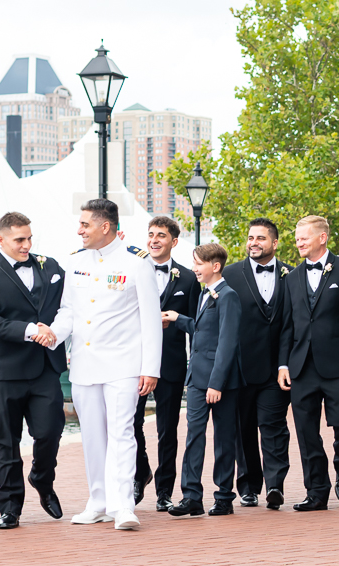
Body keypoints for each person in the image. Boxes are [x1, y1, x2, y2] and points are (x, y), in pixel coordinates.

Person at [42, 199, 161, 531]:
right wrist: (53, 333)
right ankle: (98, 501)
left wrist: (150, 368)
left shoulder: (137, 265)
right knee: (92, 436)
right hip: (83, 364)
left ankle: (123, 505)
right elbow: (69, 311)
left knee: (122, 433)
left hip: (123, 364)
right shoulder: (75, 263)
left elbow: (151, 320)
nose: (79, 230)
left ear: (104, 226)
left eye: (85, 224)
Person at [0, 212, 67, 530]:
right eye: (19, 240)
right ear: (1, 240)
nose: (27, 245)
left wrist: (54, 332)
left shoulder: (50, 266)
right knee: (7, 440)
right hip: (3, 371)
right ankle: (10, 505)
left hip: (45, 367)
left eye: (29, 238)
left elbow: (70, 302)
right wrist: (30, 330)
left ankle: (42, 477)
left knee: (51, 429)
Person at [278, 215, 339, 511]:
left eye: (304, 237)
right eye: (296, 238)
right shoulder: (292, 277)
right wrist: (283, 364)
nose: (298, 242)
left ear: (322, 238)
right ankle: (316, 492)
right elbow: (287, 325)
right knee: (306, 432)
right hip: (301, 367)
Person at [163, 243, 243, 518]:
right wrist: (177, 319)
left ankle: (223, 497)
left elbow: (227, 343)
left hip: (220, 382)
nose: (194, 268)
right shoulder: (202, 294)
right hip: (195, 378)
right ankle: (191, 497)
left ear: (215, 266)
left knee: (223, 439)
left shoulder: (229, 296)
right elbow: (201, 329)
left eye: (198, 263)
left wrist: (216, 383)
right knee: (193, 437)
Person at [222, 218, 293, 510]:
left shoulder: (293, 274)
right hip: (239, 369)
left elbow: (293, 324)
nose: (254, 243)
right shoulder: (228, 274)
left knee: (274, 427)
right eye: (251, 237)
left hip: (277, 370)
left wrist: (285, 363)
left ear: (274, 243)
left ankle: (275, 485)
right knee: (244, 429)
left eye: (261, 238)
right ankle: (249, 486)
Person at [132, 216, 200, 511]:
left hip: (171, 364)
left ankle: (164, 491)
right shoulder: (132, 272)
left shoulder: (187, 278)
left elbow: (199, 323)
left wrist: (175, 321)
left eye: (161, 235)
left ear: (173, 242)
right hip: (133, 362)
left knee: (167, 430)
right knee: (130, 423)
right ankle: (140, 471)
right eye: (151, 234)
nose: (154, 239)